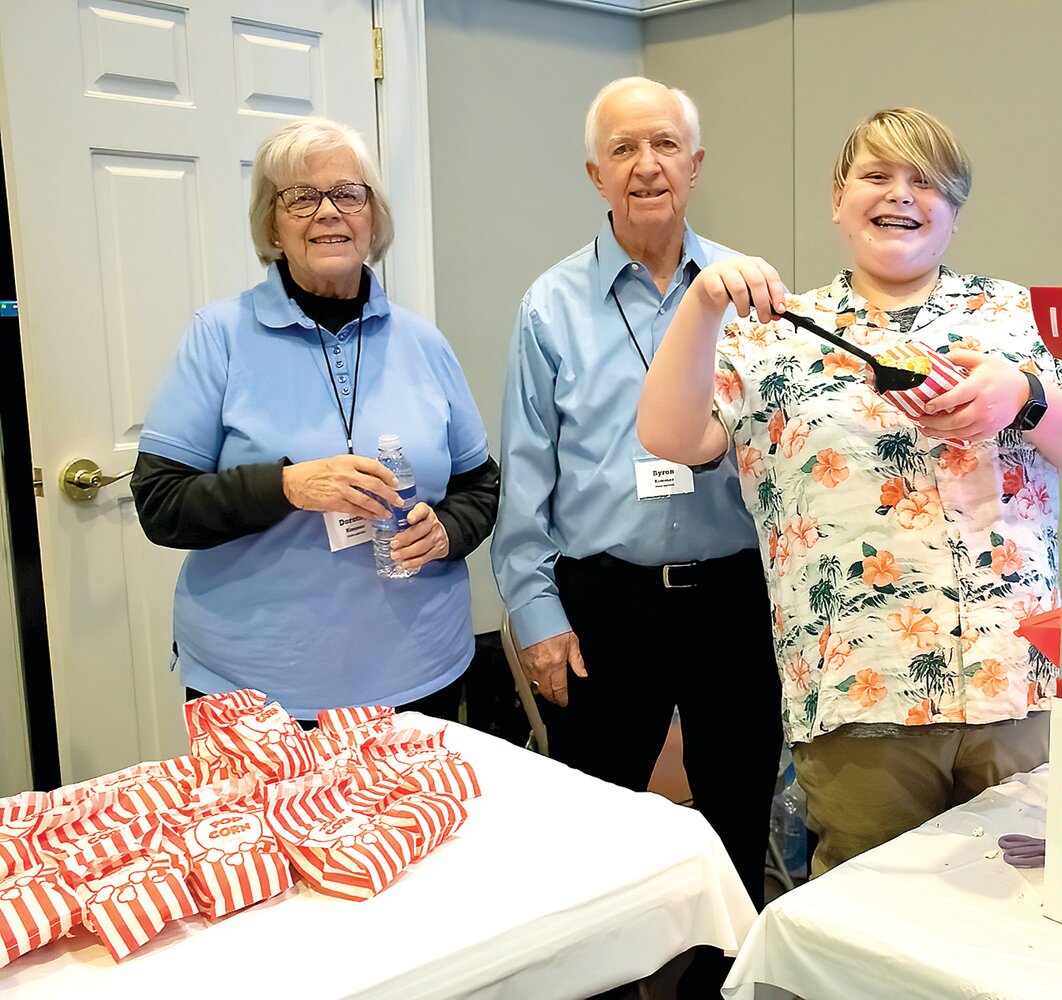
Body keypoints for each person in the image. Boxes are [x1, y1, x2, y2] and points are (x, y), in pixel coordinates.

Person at [638, 107, 1062, 875]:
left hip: (1016, 686)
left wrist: (1025, 398)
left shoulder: (1018, 318)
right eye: (876, 175)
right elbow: (670, 437)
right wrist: (700, 309)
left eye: (926, 181)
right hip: (859, 700)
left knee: (1024, 912)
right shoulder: (773, 331)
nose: (900, 194)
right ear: (838, 197)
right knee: (872, 927)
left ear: (955, 213)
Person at [492, 77, 781, 918]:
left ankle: (716, 977)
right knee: (595, 823)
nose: (645, 166)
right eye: (623, 149)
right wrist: (537, 616)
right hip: (606, 602)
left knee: (737, 815)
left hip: (733, 595)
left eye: (663, 146)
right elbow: (526, 475)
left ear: (695, 165)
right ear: (595, 174)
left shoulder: (748, 292)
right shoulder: (549, 307)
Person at [133, 117, 498, 722]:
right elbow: (160, 502)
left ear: (372, 217)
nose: (328, 212)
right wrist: (288, 486)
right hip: (256, 692)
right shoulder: (218, 338)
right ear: (272, 224)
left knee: (415, 823)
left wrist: (448, 533)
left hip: (421, 671)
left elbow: (480, 483)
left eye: (347, 194)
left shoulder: (422, 342)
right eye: (300, 197)